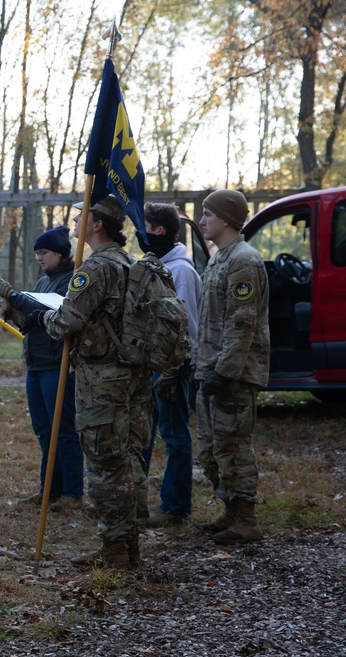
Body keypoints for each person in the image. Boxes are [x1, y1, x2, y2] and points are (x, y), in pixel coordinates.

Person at [8, 195, 151, 568]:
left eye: (79, 217)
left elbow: (65, 321)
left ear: (98, 224)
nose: (74, 223)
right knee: (127, 458)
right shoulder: (126, 261)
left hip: (101, 376)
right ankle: (128, 545)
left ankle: (115, 550)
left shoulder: (95, 267)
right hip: (131, 371)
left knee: (105, 462)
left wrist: (38, 318)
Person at [0, 226, 85, 513]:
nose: (39, 258)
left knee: (63, 430)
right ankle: (49, 490)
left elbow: (59, 317)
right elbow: (34, 320)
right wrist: (13, 310)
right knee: (44, 430)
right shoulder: (44, 282)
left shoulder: (73, 281)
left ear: (60, 253)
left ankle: (73, 492)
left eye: (43, 253)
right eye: (36, 254)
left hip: (58, 364)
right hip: (36, 363)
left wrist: (15, 296)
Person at [194, 189, 269, 544]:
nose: (202, 220)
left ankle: (246, 519)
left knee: (233, 446)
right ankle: (230, 510)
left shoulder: (243, 260)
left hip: (232, 375)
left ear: (225, 219)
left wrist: (224, 372)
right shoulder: (219, 258)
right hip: (211, 369)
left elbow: (241, 324)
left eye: (207, 214)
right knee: (210, 448)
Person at [138, 203, 202, 527]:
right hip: (152, 364)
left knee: (174, 435)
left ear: (159, 231)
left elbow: (188, 326)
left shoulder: (181, 272)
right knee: (146, 433)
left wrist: (173, 369)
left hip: (173, 367)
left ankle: (176, 507)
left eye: (143, 225)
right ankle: (138, 504)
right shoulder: (156, 266)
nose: (138, 232)